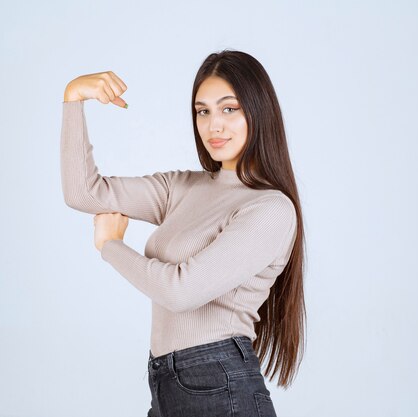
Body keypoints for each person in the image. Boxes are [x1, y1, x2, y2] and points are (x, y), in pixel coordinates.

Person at [60, 49, 306, 417]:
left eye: (229, 108)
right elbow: (84, 192)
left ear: (259, 111)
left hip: (220, 386)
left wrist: (111, 246)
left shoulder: (270, 209)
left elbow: (180, 291)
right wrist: (73, 98)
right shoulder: (183, 188)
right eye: (202, 111)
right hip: (166, 384)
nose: (213, 125)